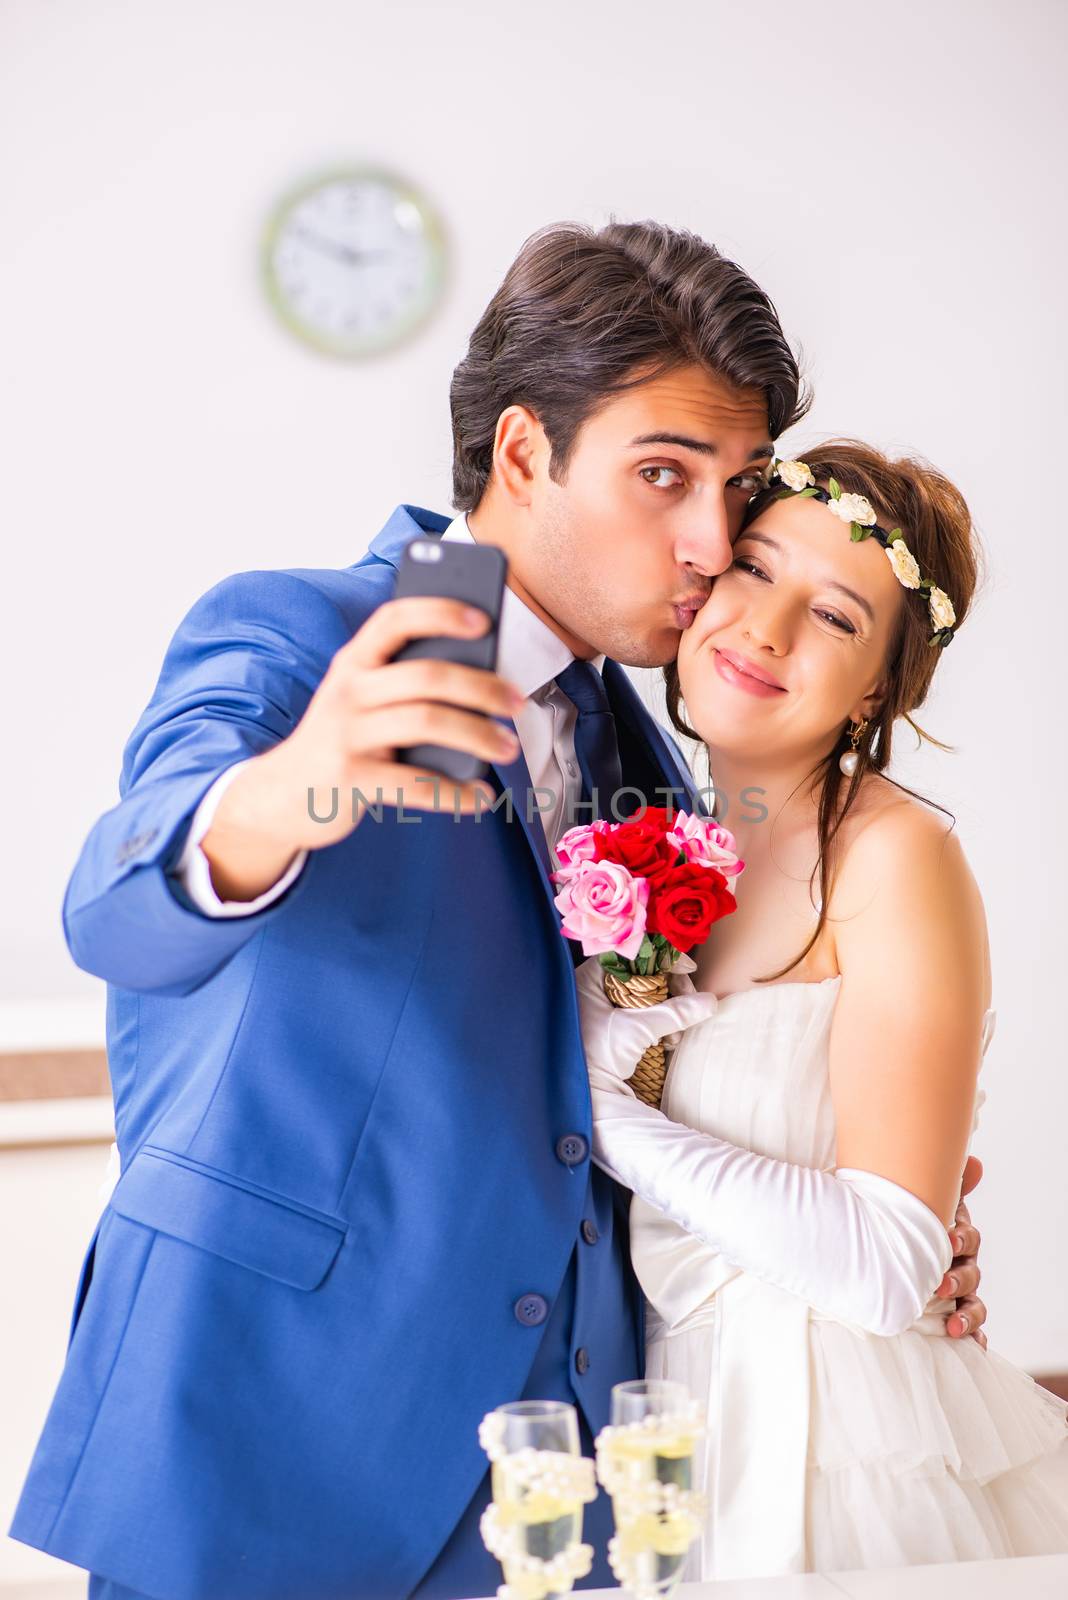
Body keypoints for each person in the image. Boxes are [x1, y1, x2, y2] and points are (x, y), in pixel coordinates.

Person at [9, 225, 988, 1600]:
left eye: (738, 487)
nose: (714, 544)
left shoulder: (650, 751)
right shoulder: (299, 635)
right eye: (665, 476)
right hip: (275, 1449)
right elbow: (116, 911)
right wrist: (290, 791)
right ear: (524, 455)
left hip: (569, 1487)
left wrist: (869, 1224)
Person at [578, 441, 1068, 1581]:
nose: (765, 627)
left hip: (830, 1431)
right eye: (753, 568)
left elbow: (892, 1261)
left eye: (837, 617)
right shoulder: (647, 832)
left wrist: (612, 1120)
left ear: (882, 688)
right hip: (664, 1425)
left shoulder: (898, 857)